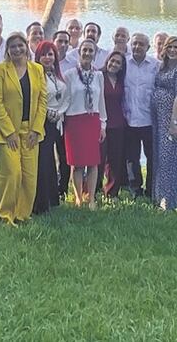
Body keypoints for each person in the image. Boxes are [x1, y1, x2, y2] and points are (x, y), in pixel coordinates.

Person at [0, 32, 47, 224]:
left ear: (26, 47)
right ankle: (5, 215)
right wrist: (9, 132)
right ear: (7, 50)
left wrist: (37, 129)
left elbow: (42, 101)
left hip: (30, 132)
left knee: (29, 177)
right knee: (12, 173)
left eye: (20, 45)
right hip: (7, 133)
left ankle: (22, 215)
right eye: (12, 46)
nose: (17, 49)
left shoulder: (37, 69)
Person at [63, 39, 108, 208]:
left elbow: (101, 101)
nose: (87, 54)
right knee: (77, 163)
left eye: (91, 51)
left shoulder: (98, 76)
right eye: (85, 50)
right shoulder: (70, 75)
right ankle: (78, 197)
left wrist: (103, 124)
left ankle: (91, 199)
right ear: (79, 53)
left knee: (93, 162)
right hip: (74, 121)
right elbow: (66, 99)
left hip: (92, 121)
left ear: (95, 54)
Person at [151, 36, 177, 210]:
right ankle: (170, 195)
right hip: (159, 118)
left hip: (173, 118)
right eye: (170, 47)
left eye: (176, 47)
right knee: (162, 157)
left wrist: (173, 122)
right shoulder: (163, 67)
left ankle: (168, 201)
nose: (173, 50)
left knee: (170, 159)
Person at [34, 40, 68, 213]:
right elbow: (36, 98)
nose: (47, 58)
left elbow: (66, 96)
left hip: (58, 122)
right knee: (44, 161)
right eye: (44, 54)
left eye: (50, 54)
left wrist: (60, 112)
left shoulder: (57, 75)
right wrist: (47, 112)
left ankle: (53, 198)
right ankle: (41, 201)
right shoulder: (35, 75)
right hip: (42, 121)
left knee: (56, 160)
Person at [123, 33, 158, 199]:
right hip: (129, 119)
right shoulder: (124, 64)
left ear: (148, 48)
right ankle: (135, 188)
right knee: (132, 158)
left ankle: (152, 189)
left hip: (149, 120)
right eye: (134, 44)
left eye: (141, 44)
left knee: (152, 157)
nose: (137, 47)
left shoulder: (155, 65)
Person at [101, 51, 129, 198]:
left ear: (121, 67)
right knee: (98, 160)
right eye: (112, 61)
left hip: (118, 123)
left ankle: (112, 192)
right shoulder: (99, 76)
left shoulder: (121, 80)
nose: (114, 64)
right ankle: (92, 190)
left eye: (118, 63)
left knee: (115, 160)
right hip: (101, 123)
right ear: (107, 61)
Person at [50, 29, 73, 197]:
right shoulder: (46, 61)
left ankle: (62, 188)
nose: (63, 45)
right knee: (47, 154)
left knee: (64, 154)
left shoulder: (73, 63)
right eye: (60, 41)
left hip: (65, 115)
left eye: (66, 42)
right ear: (54, 41)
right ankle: (49, 186)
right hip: (47, 116)